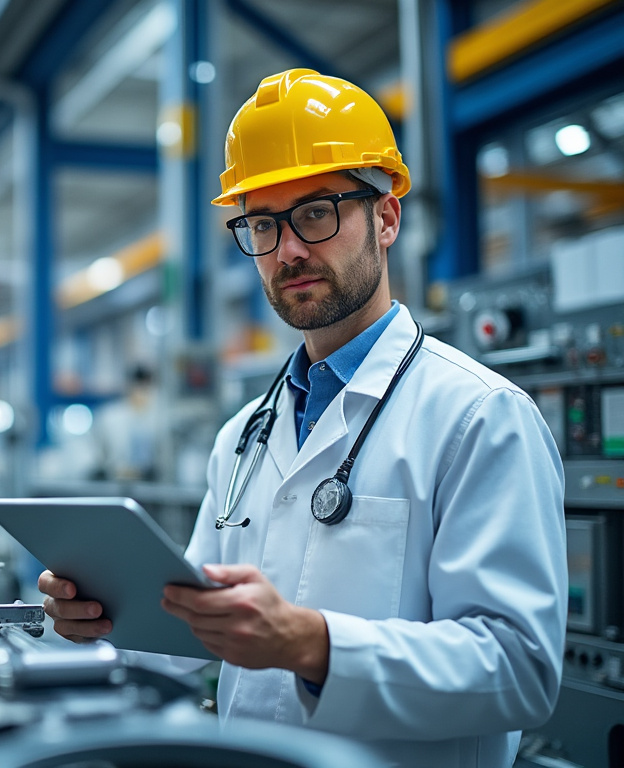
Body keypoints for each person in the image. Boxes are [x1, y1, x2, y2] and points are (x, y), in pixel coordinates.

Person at [38, 68, 567, 768]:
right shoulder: (243, 438)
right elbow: (194, 625)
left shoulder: (479, 417)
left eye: (315, 212)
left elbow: (520, 669)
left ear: (385, 217)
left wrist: (314, 644)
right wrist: (101, 624)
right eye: (261, 224)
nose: (287, 249)